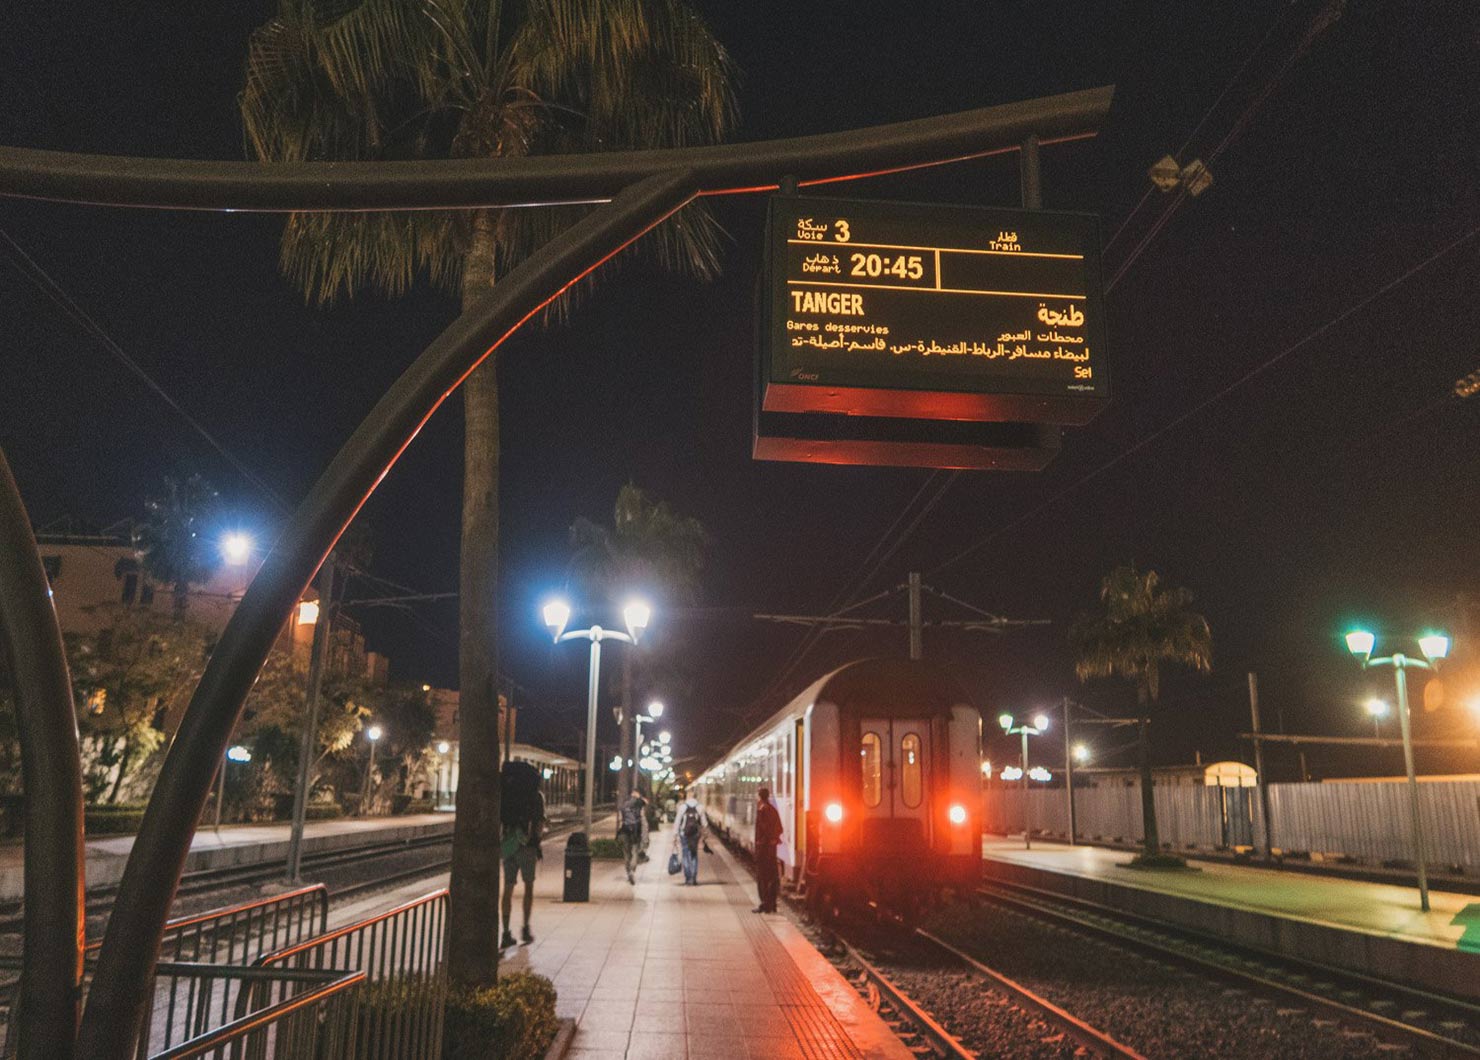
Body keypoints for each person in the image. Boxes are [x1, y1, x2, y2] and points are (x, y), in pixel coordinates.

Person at [500, 761, 544, 947]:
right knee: (528, 888)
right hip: (527, 847)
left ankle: (506, 932)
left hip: (508, 845)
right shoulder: (536, 796)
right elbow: (539, 824)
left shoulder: (506, 794)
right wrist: (536, 841)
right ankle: (525, 928)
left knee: (508, 889)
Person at [753, 786, 783, 913]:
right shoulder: (773, 810)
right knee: (773, 877)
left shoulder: (762, 810)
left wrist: (762, 843)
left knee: (762, 878)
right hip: (772, 850)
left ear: (760, 796)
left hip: (763, 850)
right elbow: (779, 829)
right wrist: (774, 840)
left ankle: (765, 904)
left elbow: (764, 830)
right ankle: (773, 904)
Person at [672, 792, 706, 885]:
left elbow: (677, 821)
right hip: (695, 835)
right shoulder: (700, 807)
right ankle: (694, 878)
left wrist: (674, 835)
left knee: (685, 854)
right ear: (695, 797)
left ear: (687, 797)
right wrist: (704, 836)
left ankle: (688, 878)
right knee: (694, 855)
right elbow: (704, 823)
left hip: (684, 834)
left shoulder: (682, 807)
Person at [617, 791, 647, 884]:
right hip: (635, 831)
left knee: (626, 853)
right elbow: (643, 819)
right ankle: (632, 870)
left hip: (625, 830)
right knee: (635, 852)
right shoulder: (639, 805)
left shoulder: (624, 805)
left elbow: (620, 820)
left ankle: (628, 872)